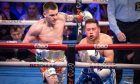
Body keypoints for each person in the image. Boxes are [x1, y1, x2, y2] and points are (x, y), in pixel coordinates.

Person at [23, 2, 93, 84]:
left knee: (59, 82)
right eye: (52, 15)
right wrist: (38, 52)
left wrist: (84, 16)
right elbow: (25, 43)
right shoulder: (37, 27)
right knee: (54, 82)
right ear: (44, 14)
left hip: (60, 56)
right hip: (45, 59)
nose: (55, 17)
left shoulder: (61, 17)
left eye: (56, 14)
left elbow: (76, 18)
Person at [107, 0, 140, 84]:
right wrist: (117, 31)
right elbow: (110, 14)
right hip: (120, 24)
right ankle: (116, 81)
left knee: (139, 55)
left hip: (137, 24)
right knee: (118, 55)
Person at [76, 19, 115, 84]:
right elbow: (86, 65)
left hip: (106, 67)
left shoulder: (106, 39)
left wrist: (98, 57)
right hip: (89, 70)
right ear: (85, 31)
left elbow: (110, 60)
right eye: (88, 30)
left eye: (93, 29)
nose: (91, 32)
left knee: (104, 73)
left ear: (99, 30)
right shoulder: (82, 44)